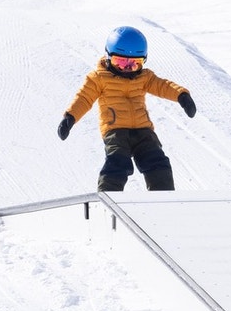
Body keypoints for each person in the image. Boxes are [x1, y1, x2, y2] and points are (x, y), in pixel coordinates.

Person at [56, 25, 196, 191]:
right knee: (118, 162)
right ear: (108, 56)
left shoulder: (144, 77)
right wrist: (70, 117)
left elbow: (163, 86)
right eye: (121, 62)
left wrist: (182, 96)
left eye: (135, 64)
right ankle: (108, 196)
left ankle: (162, 195)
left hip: (143, 130)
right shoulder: (99, 78)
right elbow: (84, 98)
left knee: (157, 161)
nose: (128, 69)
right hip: (116, 131)